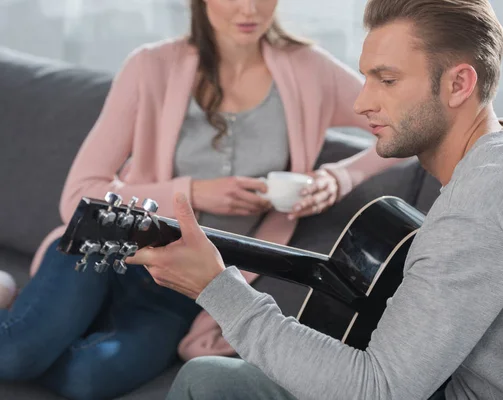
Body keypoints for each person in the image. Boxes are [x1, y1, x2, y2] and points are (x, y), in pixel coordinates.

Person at [128, 0, 503, 399]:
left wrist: (217, 289)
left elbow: (379, 389)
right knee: (212, 377)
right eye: (366, 78)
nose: (361, 102)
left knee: (205, 381)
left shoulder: (482, 209)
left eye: (387, 80)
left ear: (459, 84)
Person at [0, 0, 403, 398]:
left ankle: (25, 315)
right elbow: (79, 195)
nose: (249, 9)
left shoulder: (310, 69)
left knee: (87, 380)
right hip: (105, 255)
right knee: (17, 355)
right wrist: (193, 192)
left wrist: (340, 176)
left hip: (178, 290)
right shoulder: (150, 66)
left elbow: (401, 122)